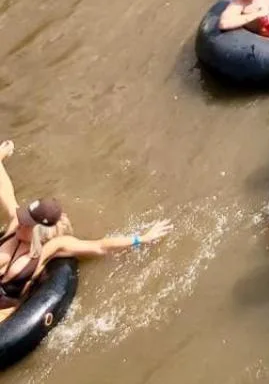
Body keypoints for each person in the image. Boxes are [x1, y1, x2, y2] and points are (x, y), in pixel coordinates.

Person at [0, 140, 172, 326]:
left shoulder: (52, 247)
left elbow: (100, 246)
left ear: (38, 232)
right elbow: (6, 192)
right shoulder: (16, 225)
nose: (19, 223)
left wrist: (143, 238)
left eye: (25, 223)